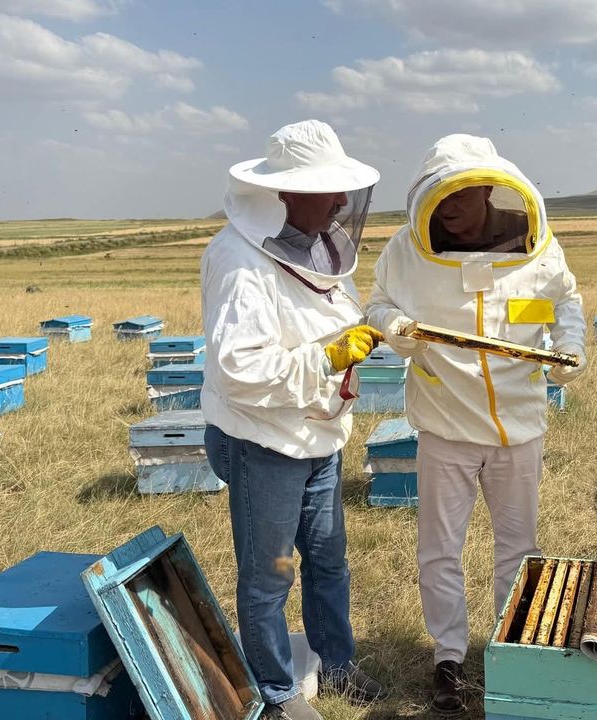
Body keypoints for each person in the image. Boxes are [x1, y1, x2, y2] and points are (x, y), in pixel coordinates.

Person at [366, 134, 587, 716]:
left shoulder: (536, 241)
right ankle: (448, 659)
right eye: (442, 199)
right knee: (441, 548)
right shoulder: (407, 248)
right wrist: (399, 327)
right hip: (445, 426)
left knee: (520, 546)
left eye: (462, 196)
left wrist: (569, 346)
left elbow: (566, 300)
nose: (450, 210)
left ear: (490, 188)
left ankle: (514, 649)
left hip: (520, 425)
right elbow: (377, 302)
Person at [201, 119, 389, 720]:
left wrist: (359, 342)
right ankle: (276, 693)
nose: (340, 203)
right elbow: (240, 371)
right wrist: (328, 357)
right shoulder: (238, 261)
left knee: (329, 560)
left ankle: (337, 666)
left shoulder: (318, 245)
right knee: (272, 573)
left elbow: (329, 315)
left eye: (342, 190)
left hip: (318, 436)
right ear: (283, 193)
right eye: (327, 190)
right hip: (266, 445)